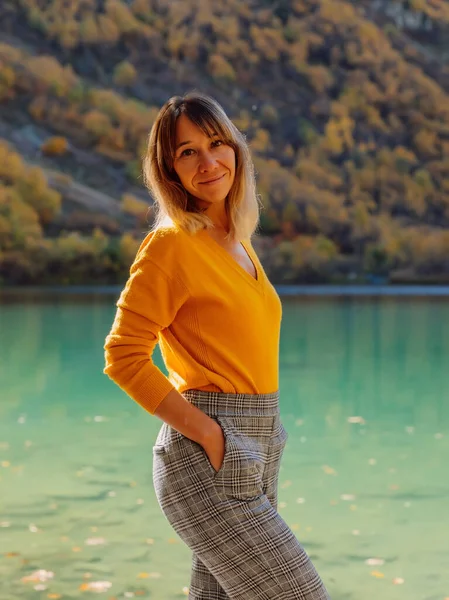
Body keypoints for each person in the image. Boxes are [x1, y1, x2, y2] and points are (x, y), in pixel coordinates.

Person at [103, 92, 331, 600]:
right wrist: (212, 435)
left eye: (216, 143)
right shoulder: (171, 245)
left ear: (236, 149)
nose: (208, 161)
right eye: (187, 152)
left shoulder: (237, 242)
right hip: (210, 451)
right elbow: (122, 355)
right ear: (169, 170)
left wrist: (257, 438)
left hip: (259, 444)